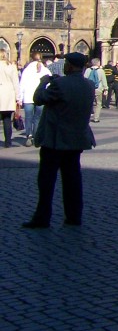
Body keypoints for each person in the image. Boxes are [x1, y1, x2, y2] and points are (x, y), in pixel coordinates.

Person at [22, 53, 97, 228]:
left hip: (55, 140)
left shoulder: (59, 84)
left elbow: (38, 99)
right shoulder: (89, 85)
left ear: (69, 66)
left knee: (46, 181)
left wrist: (44, 82)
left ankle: (42, 217)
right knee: (72, 179)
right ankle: (73, 216)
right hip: (76, 139)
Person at [19, 53, 51, 143]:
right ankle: (35, 136)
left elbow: (22, 84)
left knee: (28, 117)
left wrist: (19, 97)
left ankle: (28, 136)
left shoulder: (27, 70)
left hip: (28, 97)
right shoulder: (45, 70)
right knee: (38, 118)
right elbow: (49, 84)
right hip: (40, 97)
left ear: (31, 58)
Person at [0, 50, 19, 147]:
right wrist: (18, 97)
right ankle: (8, 141)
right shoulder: (11, 66)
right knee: (7, 119)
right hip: (8, 95)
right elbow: (16, 82)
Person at [84, 58, 106, 122]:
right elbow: (104, 80)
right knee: (98, 103)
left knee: (89, 103)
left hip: (89, 89)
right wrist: (106, 89)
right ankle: (96, 118)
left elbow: (84, 79)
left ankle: (87, 118)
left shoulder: (88, 70)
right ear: (98, 63)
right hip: (98, 89)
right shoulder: (101, 71)